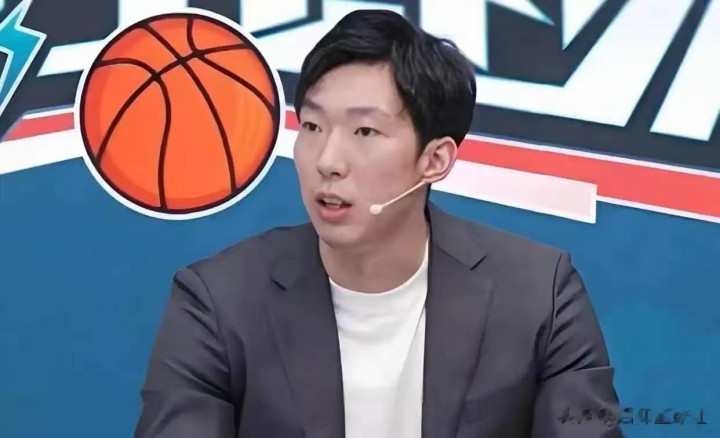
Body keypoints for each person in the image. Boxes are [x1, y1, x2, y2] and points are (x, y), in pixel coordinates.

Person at [135, 9, 623, 438]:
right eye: (312, 126)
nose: (327, 160)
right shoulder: (219, 302)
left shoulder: (540, 296)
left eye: (365, 131)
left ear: (434, 160)